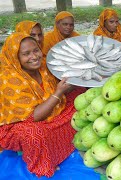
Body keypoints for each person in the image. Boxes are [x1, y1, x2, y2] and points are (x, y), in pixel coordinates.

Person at [0, 32, 86, 177]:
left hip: (50, 110)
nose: (34, 56)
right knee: (34, 135)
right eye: (26, 54)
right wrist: (58, 92)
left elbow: (61, 85)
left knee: (81, 95)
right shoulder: (9, 80)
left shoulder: (43, 65)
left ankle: (64, 142)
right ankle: (44, 163)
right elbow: (33, 117)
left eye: (36, 50)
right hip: (22, 123)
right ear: (16, 57)